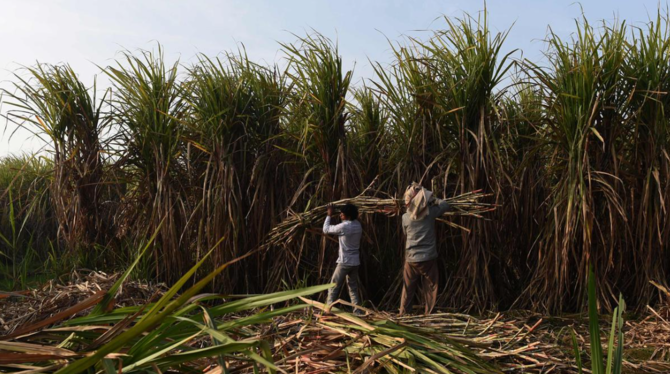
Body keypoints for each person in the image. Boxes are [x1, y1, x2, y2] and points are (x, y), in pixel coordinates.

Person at [399, 182, 450, 315]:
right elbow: (445, 205)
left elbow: (405, 233)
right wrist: (433, 200)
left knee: (408, 287)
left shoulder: (405, 217)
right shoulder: (430, 214)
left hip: (411, 258)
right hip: (428, 258)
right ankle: (428, 314)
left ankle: (403, 314)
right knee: (431, 286)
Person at [323, 202, 364, 315]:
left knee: (333, 286)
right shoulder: (358, 225)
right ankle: (357, 311)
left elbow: (326, 230)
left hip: (344, 262)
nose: (340, 215)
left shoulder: (344, 226)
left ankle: (327, 310)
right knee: (353, 288)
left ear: (348, 216)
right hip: (355, 262)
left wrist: (329, 215)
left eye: (343, 214)